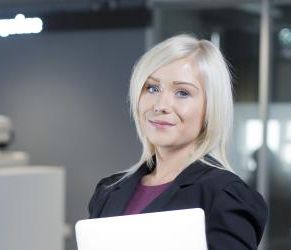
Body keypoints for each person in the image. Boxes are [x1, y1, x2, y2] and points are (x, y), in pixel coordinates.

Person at [87, 34, 268, 249]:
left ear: (210, 107)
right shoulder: (109, 190)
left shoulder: (224, 195)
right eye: (152, 88)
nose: (161, 105)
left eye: (182, 93)